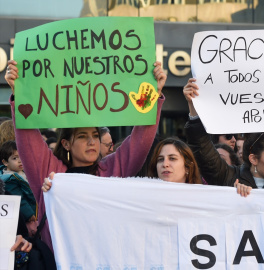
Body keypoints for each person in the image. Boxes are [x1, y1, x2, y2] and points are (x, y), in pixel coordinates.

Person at [5, 59, 167, 251]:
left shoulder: (112, 170)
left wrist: (153, 94)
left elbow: (139, 141)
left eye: (95, 136)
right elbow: (29, 142)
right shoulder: (51, 174)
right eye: (83, 136)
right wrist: (19, 92)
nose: (92, 142)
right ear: (66, 143)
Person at [0, 141, 38, 236]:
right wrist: (28, 214)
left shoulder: (22, 172)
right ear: (5, 162)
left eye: (21, 156)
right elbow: (18, 198)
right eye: (15, 158)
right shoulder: (9, 179)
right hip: (25, 217)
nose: (20, 160)